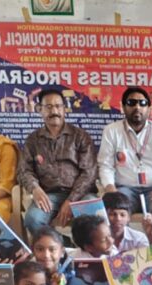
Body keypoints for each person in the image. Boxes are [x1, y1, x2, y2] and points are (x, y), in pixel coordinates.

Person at [97, 87, 152, 234]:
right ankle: (121, 249)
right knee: (113, 211)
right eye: (132, 103)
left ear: (149, 108)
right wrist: (110, 188)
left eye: (142, 103)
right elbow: (106, 165)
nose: (137, 107)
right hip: (125, 189)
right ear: (123, 107)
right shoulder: (111, 131)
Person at [18, 89, 98, 233]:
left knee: (95, 214)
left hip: (81, 195)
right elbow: (25, 170)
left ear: (64, 109)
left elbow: (89, 173)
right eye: (48, 107)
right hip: (49, 196)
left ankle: (85, 247)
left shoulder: (80, 136)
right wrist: (35, 189)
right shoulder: (33, 140)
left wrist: (71, 201)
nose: (54, 111)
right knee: (32, 219)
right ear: (40, 110)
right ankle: (60, 244)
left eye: (58, 106)